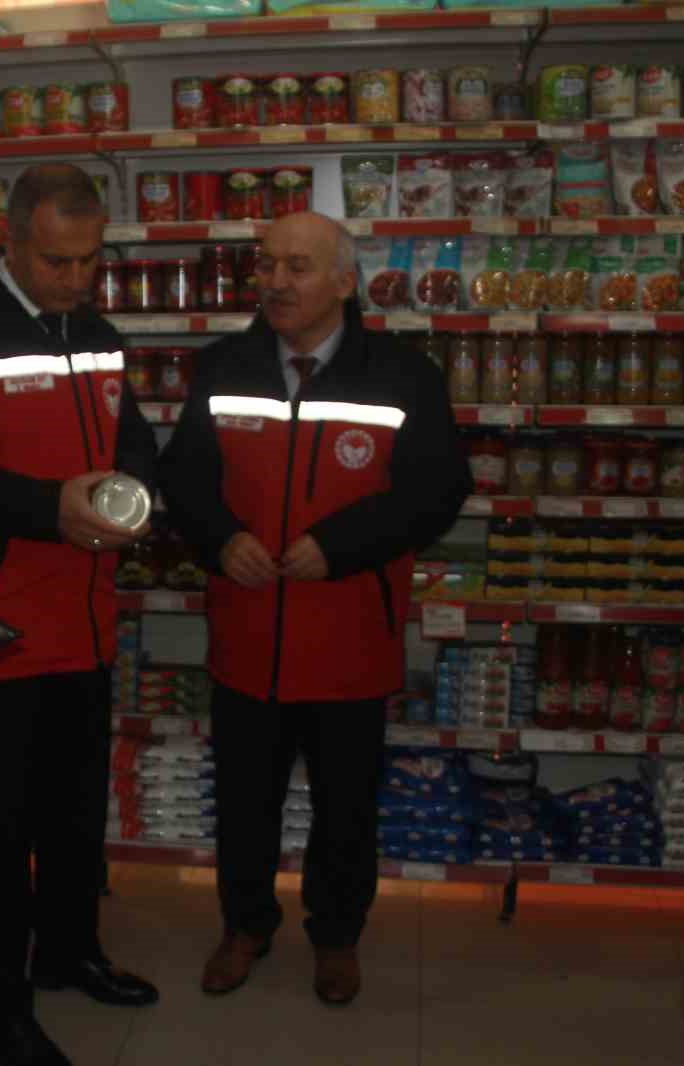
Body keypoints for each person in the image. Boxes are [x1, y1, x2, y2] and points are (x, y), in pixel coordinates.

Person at [157, 212, 470, 1007]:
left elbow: (437, 491)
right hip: (246, 634)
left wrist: (341, 544)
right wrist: (222, 539)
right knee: (245, 804)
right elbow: (185, 479)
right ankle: (246, 926)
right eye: (266, 265)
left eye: (297, 266)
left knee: (345, 808)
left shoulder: (402, 374)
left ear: (343, 280)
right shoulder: (224, 364)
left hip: (349, 639)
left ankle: (336, 938)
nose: (276, 282)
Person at [0, 163, 159, 1066]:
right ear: (7, 240)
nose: (75, 280)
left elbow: (134, 439)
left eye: (89, 262)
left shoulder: (99, 331)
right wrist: (50, 507)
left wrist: (140, 491)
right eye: (56, 261)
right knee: (0, 832)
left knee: (76, 817)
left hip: (86, 623)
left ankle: (70, 954)